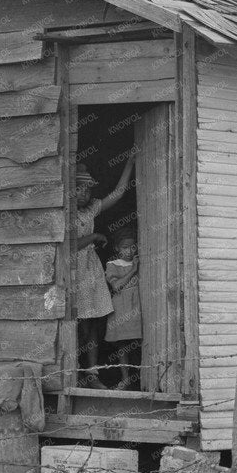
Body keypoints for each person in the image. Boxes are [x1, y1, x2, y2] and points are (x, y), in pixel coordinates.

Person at [71, 156, 133, 384]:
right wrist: (94, 236)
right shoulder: (63, 212)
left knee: (93, 323)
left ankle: (92, 372)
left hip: (90, 270)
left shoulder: (89, 210)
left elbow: (117, 194)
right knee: (76, 324)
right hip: (73, 272)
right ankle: (72, 371)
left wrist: (129, 164)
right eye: (78, 188)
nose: (83, 194)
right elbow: (69, 245)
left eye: (87, 189)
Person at [103, 231, 142, 389]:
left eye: (133, 247)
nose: (130, 250)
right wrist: (133, 270)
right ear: (117, 248)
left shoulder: (139, 261)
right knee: (122, 345)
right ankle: (125, 379)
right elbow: (117, 286)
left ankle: (142, 378)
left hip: (137, 305)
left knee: (139, 343)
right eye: (125, 247)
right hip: (121, 307)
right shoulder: (112, 265)